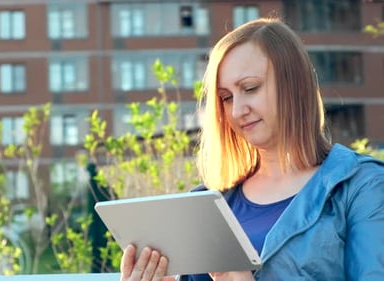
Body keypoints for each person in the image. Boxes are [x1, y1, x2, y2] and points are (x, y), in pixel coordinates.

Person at [119, 17, 384, 281]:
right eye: (226, 97)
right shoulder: (207, 204)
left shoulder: (361, 187)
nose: (236, 111)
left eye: (250, 88)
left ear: (294, 84)